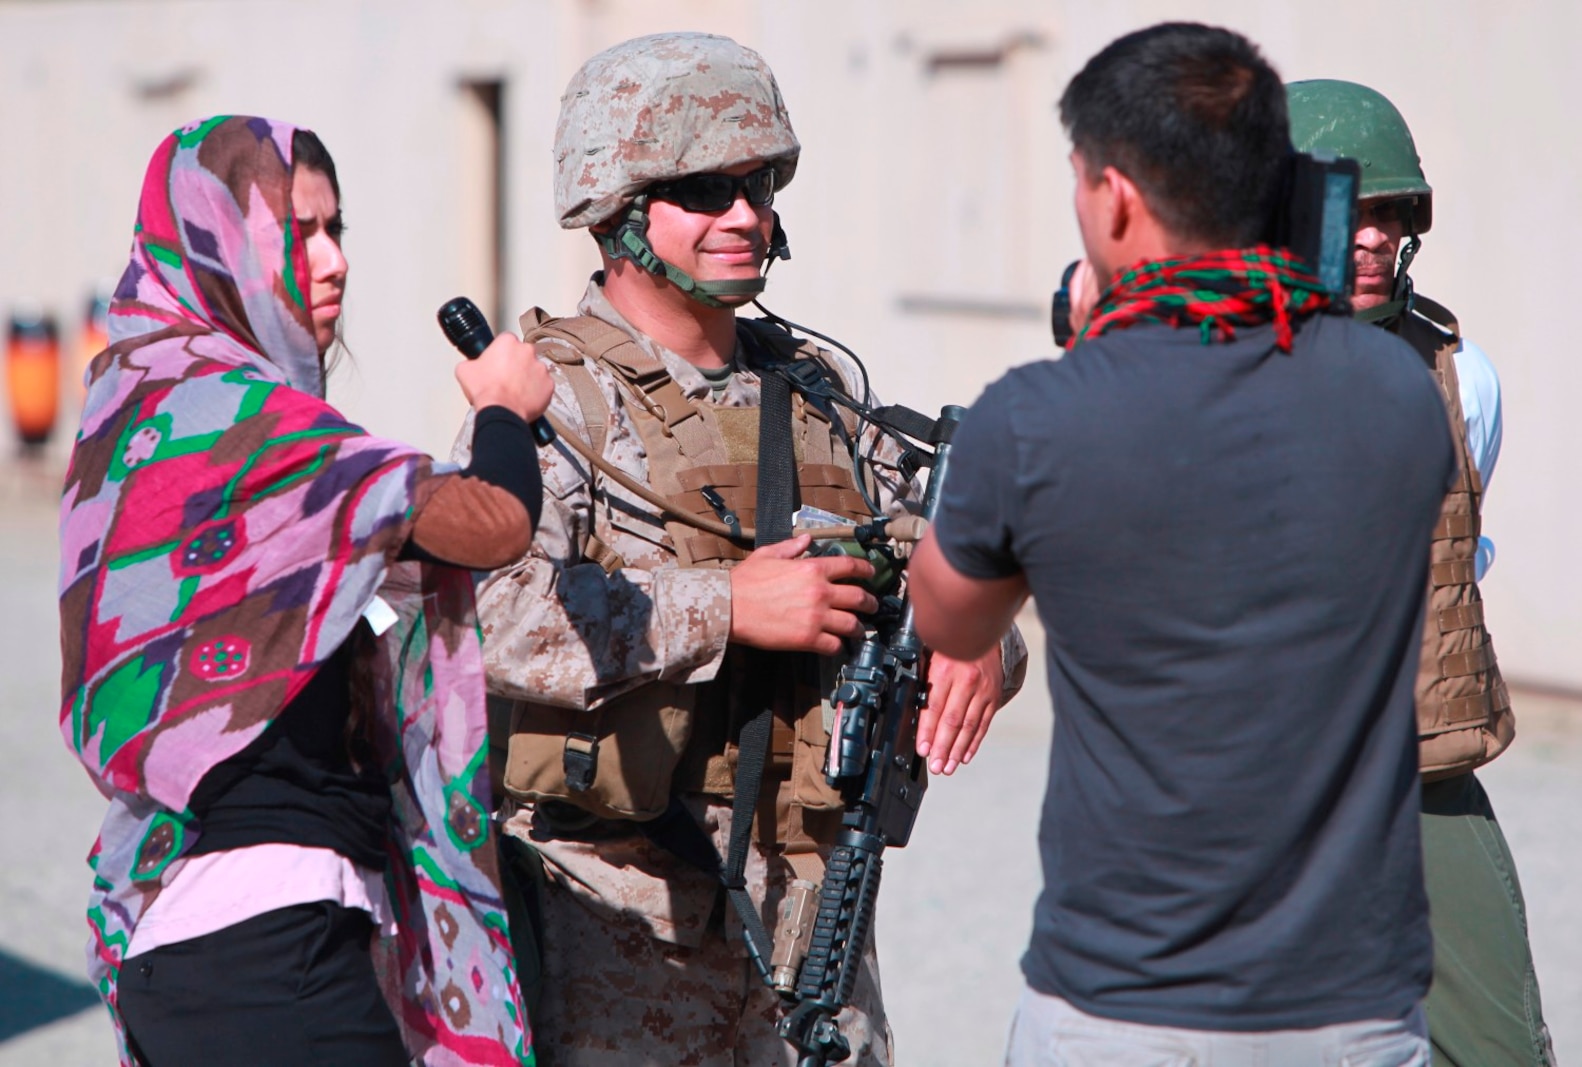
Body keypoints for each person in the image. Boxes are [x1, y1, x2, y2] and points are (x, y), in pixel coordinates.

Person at [461, 32, 1025, 1066]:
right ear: (618, 207)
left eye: (758, 184)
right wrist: (726, 605)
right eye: (705, 188)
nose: (745, 215)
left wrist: (977, 638)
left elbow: (961, 552)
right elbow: (488, 620)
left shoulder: (814, 390)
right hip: (616, 922)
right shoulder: (550, 399)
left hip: (816, 914)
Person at [907, 23, 1456, 1064]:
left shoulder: (1035, 418)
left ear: (1114, 196)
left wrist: (1094, 346)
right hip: (1356, 1008)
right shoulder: (1400, 396)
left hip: (1123, 1004)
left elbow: (948, 613)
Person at [58, 115, 552, 1066]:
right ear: (216, 249)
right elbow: (494, 523)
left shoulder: (133, 416)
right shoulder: (251, 429)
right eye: (299, 233)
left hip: (181, 951)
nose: (333, 262)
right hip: (271, 953)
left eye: (339, 229)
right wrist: (501, 410)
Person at [1288, 79, 1556, 1067]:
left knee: (1497, 1047)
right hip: (1253, 787)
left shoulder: (1456, 373)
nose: (1366, 237)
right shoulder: (1203, 370)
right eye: (1339, 210)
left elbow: (1459, 552)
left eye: (1386, 212)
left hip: (1417, 773)